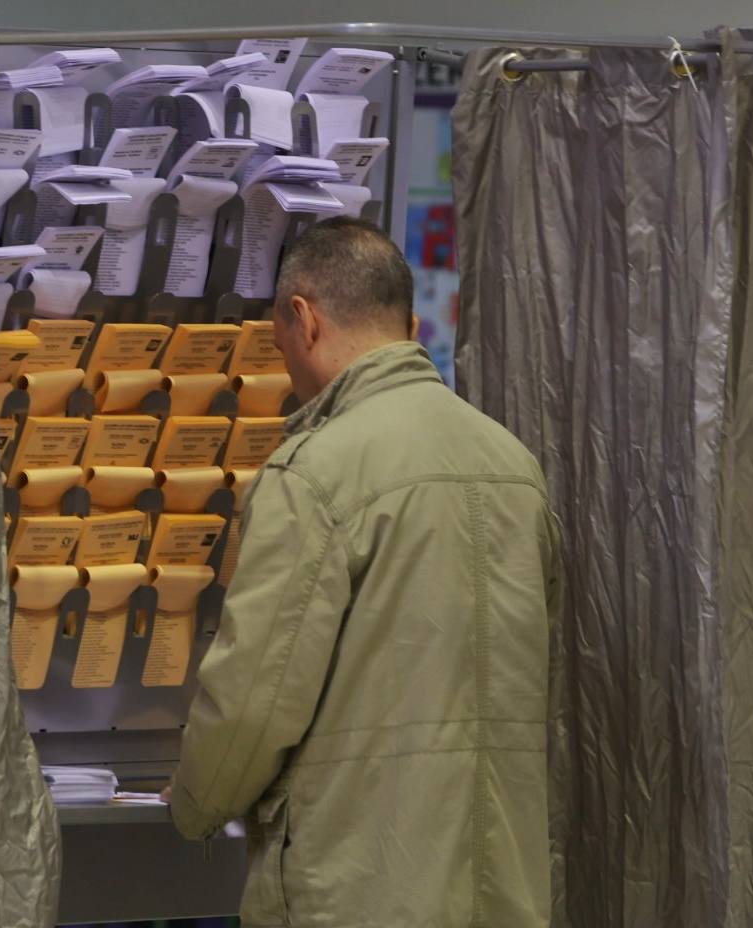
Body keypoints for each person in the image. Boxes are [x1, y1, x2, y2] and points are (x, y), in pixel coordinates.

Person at [167, 217, 559, 927]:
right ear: (408, 324)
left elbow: (255, 699)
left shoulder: (315, 472)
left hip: (358, 887)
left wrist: (194, 806)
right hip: (505, 885)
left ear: (302, 318)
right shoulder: (514, 465)